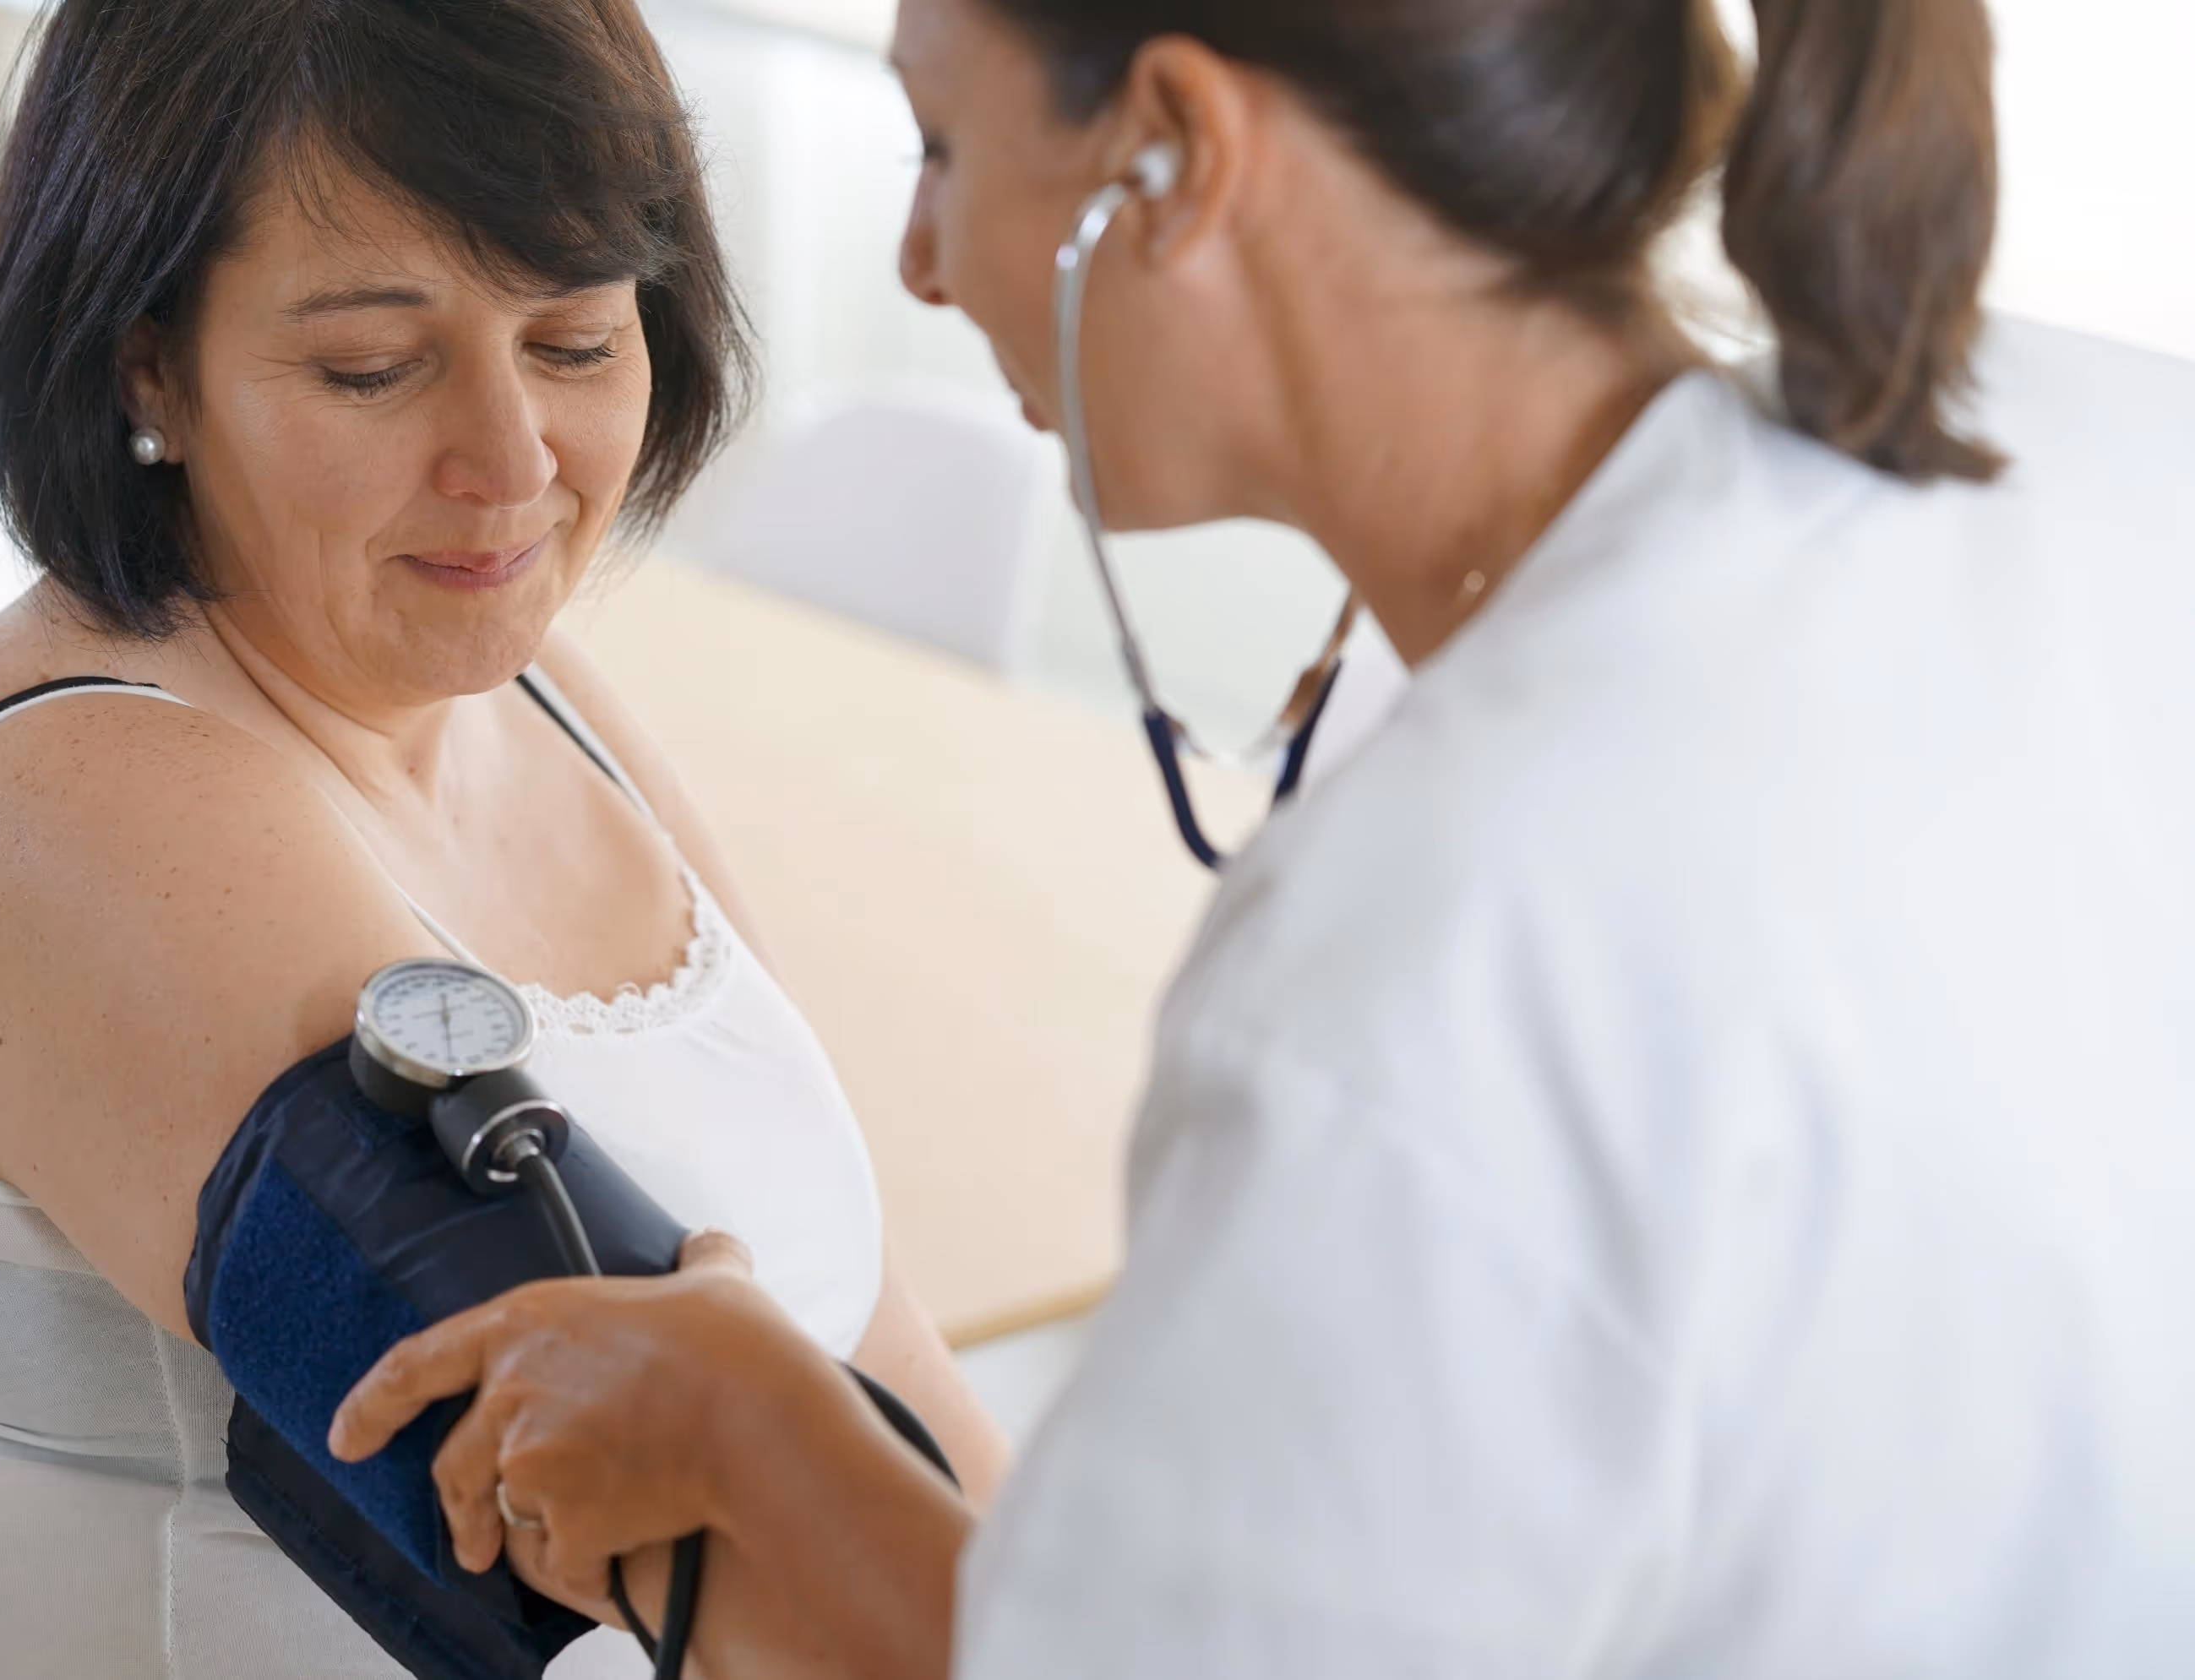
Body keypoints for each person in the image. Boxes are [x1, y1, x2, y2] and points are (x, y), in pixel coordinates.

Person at [329, 0, 2195, 1674]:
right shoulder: (2099, 449)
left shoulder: (1423, 961)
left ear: (1174, 151)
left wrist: (768, 1445)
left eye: (946, 146)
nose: (913, 260)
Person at [0, 2, 1005, 1675]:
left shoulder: (522, 693)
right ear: (147, 368)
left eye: (572, 343)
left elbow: (898, 1379)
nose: (509, 467)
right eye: (372, 366)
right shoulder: (89, 825)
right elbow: (702, 1559)